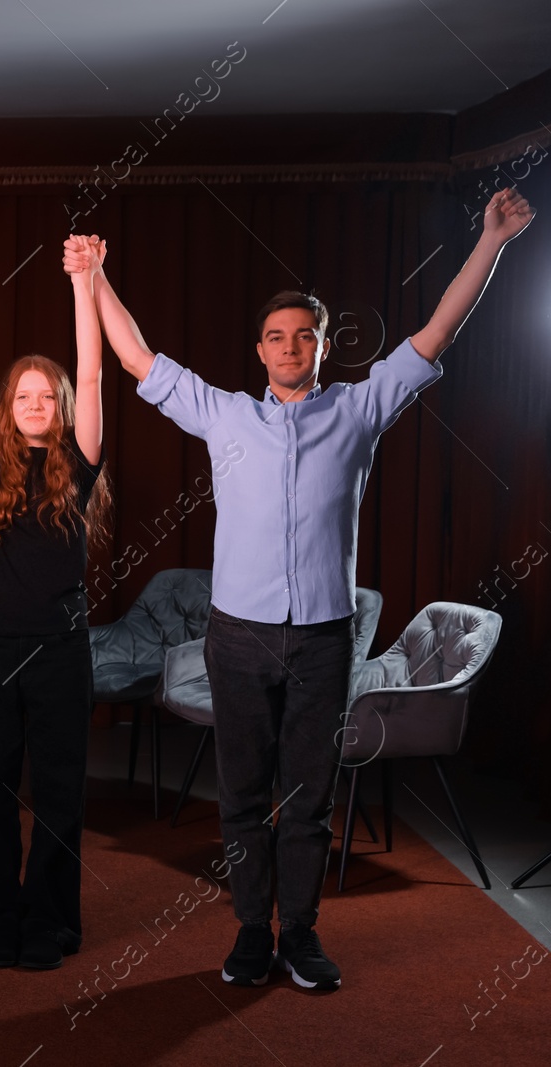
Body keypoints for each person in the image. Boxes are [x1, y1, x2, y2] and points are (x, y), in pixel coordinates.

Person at [69, 187, 535, 990]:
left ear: (322, 350)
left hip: (323, 637)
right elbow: (136, 357)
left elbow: (438, 330)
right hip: (238, 634)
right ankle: (254, 932)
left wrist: (492, 240)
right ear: (259, 351)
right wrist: (97, 276)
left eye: (305, 336)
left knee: (310, 796)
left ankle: (304, 934)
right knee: (243, 793)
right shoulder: (223, 415)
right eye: (278, 337)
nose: (291, 347)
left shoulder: (360, 410)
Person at [0, 237, 111, 969]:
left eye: (47, 394)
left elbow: (93, 366)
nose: (37, 402)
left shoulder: (78, 462)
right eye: (25, 395)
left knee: (57, 791)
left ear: (63, 406)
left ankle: (48, 921)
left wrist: (86, 283)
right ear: (9, 409)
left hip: (58, 652)